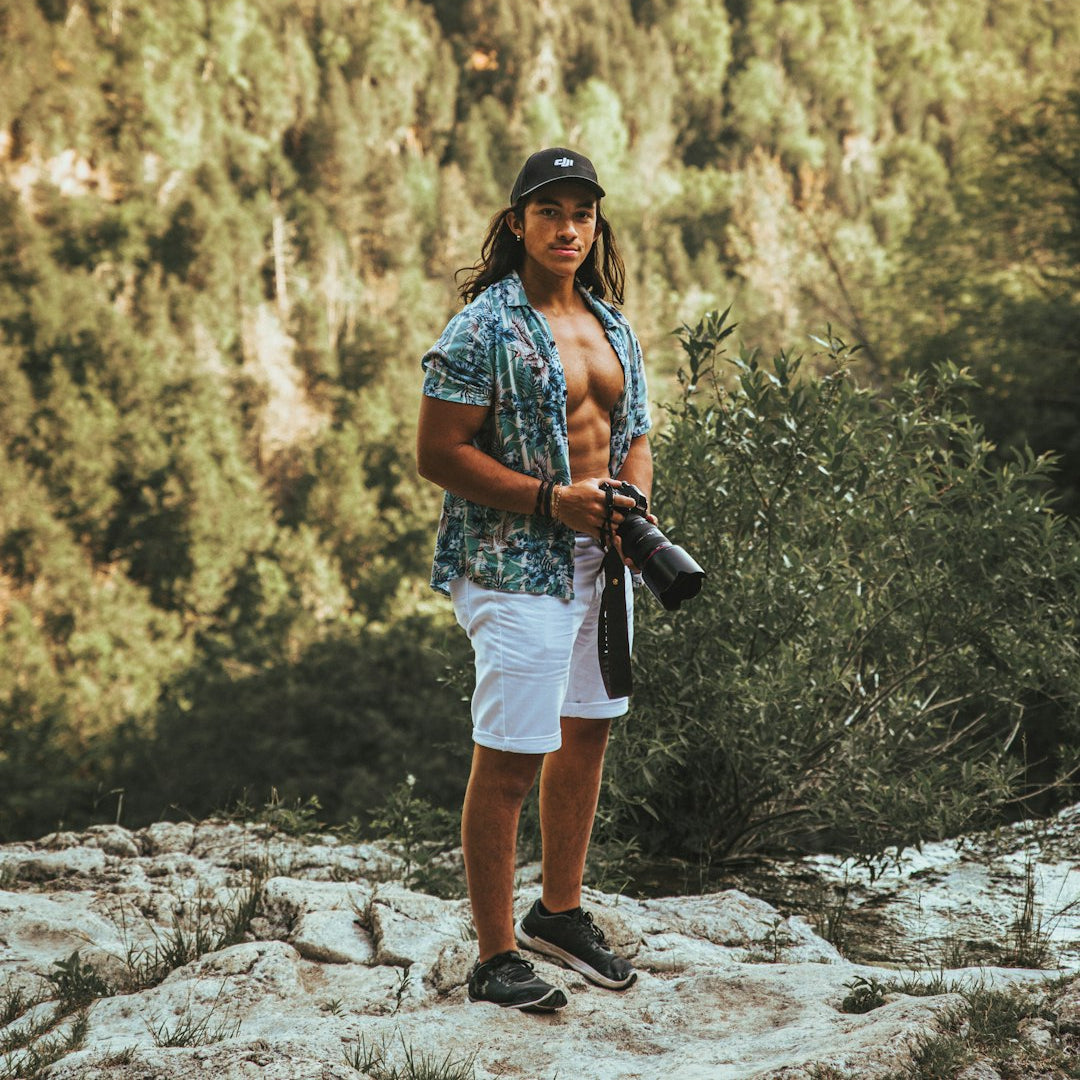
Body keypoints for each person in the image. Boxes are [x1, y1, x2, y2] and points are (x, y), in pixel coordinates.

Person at [416, 147, 653, 1013]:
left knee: (586, 733)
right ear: (517, 222)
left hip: (600, 559)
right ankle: (493, 956)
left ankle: (558, 912)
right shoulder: (482, 328)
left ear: (596, 225)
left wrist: (637, 520)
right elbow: (438, 454)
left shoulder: (612, 324)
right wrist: (553, 501)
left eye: (582, 212)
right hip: (514, 565)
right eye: (549, 210)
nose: (568, 227)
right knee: (514, 756)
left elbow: (634, 435)